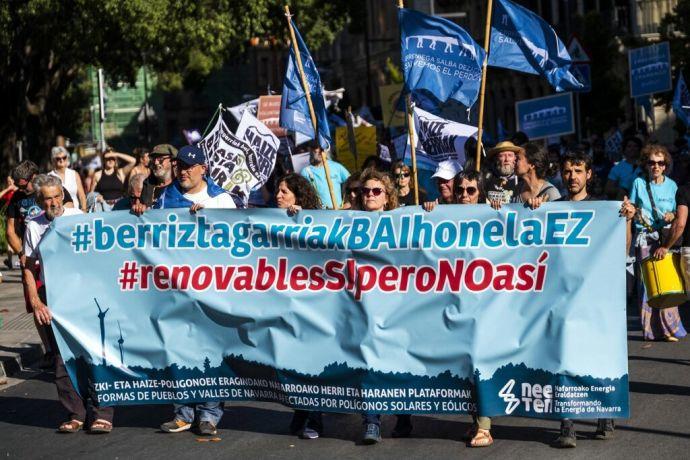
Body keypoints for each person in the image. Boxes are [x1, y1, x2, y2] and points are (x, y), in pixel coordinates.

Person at [149, 145, 235, 436]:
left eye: (189, 166)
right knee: (180, 352)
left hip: (213, 290)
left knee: (210, 352)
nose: (183, 171)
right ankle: (183, 412)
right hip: (176, 290)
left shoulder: (221, 199)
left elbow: (239, 242)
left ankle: (210, 413)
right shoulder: (165, 199)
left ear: (203, 169)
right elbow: (152, 238)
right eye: (180, 166)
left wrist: (209, 221)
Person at [22, 174, 115, 433]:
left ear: (62, 195)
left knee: (95, 354)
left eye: (55, 197)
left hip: (86, 298)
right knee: (63, 360)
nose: (51, 203)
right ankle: (75, 413)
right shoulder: (33, 226)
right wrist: (36, 301)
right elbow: (28, 268)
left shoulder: (80, 219)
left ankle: (102, 413)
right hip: (55, 301)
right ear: (38, 201)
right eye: (45, 199)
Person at [548, 151, 616, 447]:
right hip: (562, 297)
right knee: (564, 358)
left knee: (597, 358)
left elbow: (620, 247)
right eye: (567, 171)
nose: (572, 176)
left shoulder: (604, 208)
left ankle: (604, 412)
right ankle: (567, 425)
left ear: (589, 174)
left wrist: (625, 219)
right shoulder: (552, 208)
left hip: (597, 296)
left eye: (578, 170)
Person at [355, 168, 408, 444]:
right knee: (369, 363)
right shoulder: (348, 222)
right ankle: (372, 420)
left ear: (387, 197)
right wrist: (297, 212)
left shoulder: (401, 222)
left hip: (396, 305)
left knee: (399, 361)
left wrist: (432, 209)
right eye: (366, 191)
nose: (371, 196)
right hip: (364, 307)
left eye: (377, 191)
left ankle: (404, 416)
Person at [6, 161, 74, 367]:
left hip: (64, 266)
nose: (19, 189)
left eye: (23, 184)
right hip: (33, 256)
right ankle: (50, 351)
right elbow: (11, 230)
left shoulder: (54, 191)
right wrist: (22, 253)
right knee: (37, 304)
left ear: (33, 178)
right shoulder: (19, 202)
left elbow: (67, 215)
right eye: (17, 185)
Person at [273, 173, 324, 439]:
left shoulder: (314, 218)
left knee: (311, 361)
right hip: (285, 303)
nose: (278, 196)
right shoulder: (270, 221)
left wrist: (304, 219)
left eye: (284, 191)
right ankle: (301, 410)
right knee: (291, 362)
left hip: (313, 303)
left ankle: (314, 417)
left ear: (298, 196)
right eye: (277, 191)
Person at [621, 144, 686, 342]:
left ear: (665, 166)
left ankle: (670, 329)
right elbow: (631, 208)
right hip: (645, 238)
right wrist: (627, 209)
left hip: (666, 238)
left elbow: (678, 212)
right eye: (651, 163)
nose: (656, 166)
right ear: (646, 165)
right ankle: (650, 330)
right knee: (647, 284)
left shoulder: (673, 186)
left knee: (666, 281)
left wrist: (672, 214)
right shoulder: (639, 183)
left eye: (660, 163)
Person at [300, 143, 350, 209]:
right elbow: (303, 196)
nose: (320, 153)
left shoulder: (337, 166)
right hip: (320, 214)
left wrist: (348, 202)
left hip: (339, 212)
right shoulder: (306, 172)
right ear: (310, 150)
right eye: (317, 150)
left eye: (322, 149)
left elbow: (352, 183)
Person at [48, 146, 87, 212]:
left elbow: (81, 195)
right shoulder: (49, 176)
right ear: (53, 160)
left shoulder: (74, 174)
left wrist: (84, 209)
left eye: (64, 157)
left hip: (75, 211)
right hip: (58, 213)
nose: (61, 160)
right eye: (58, 158)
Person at [139, 144, 177, 209]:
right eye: (153, 159)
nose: (156, 163)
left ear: (173, 161)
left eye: (161, 159)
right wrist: (139, 207)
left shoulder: (180, 185)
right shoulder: (148, 184)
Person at [484, 141, 521, 205]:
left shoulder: (522, 180)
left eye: (510, 155)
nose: (506, 159)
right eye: (502, 156)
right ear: (496, 159)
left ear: (515, 158)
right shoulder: (486, 179)